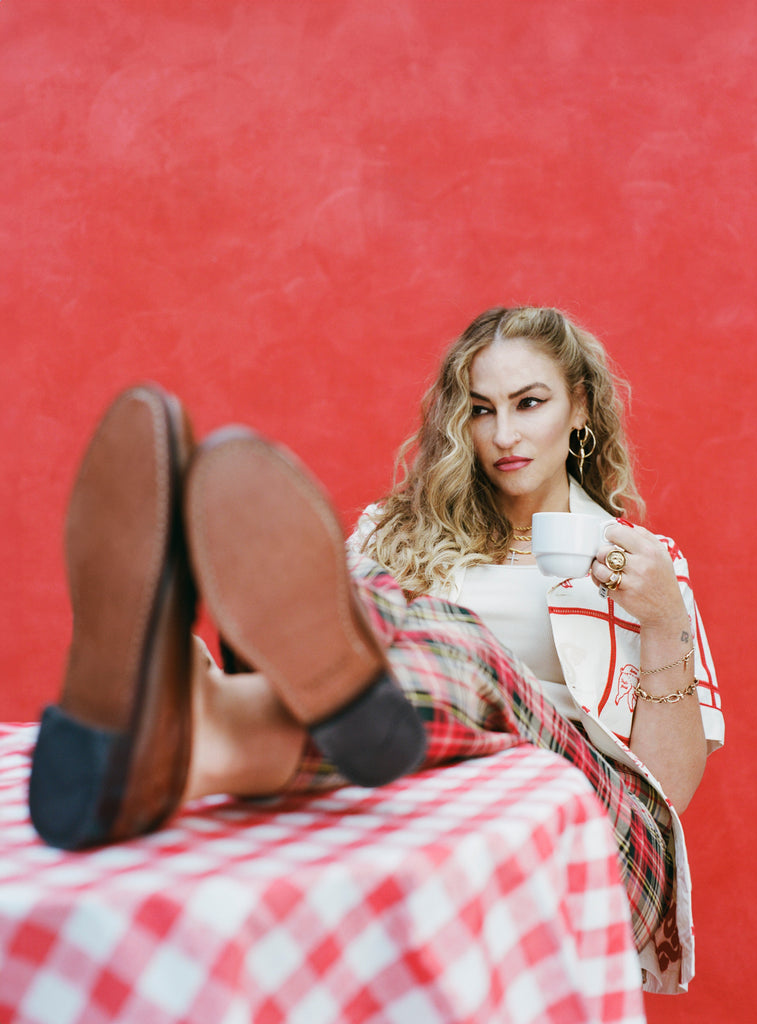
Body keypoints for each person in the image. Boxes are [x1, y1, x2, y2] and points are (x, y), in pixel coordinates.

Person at [27, 306, 722, 994]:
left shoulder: (645, 566)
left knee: (456, 638)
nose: (502, 433)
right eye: (480, 410)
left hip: (593, 826)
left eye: (528, 403)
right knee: (373, 608)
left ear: (579, 408)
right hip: (419, 790)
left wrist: (663, 622)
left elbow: (668, 792)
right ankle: (187, 740)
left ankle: (197, 703)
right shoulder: (392, 531)